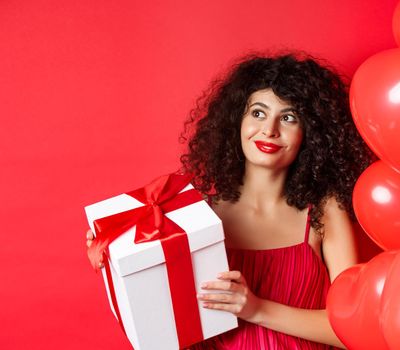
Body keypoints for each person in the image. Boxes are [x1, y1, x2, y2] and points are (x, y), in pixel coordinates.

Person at [87, 52, 372, 349]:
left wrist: (257, 309)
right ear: (237, 120)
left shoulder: (324, 212)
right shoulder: (194, 213)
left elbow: (350, 329)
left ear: (310, 133)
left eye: (288, 117)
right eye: (258, 113)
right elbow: (159, 322)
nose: (269, 130)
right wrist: (112, 254)